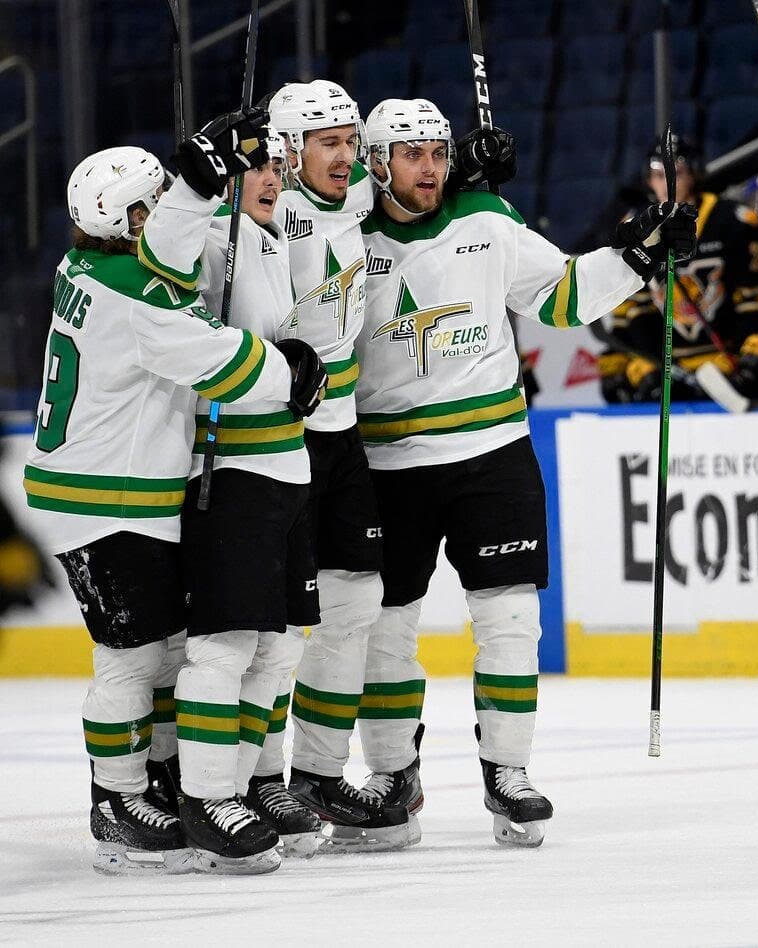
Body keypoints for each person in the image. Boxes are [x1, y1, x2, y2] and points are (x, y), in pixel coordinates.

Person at [354, 98, 695, 847]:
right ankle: (389, 777)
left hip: (491, 453)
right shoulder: (345, 236)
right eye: (411, 155)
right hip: (386, 462)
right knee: (382, 630)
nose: (431, 168)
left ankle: (508, 771)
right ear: (373, 162)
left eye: (439, 153)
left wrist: (637, 256)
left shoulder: (486, 220)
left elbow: (562, 295)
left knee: (510, 621)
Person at [27, 144, 323, 874]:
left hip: (105, 489)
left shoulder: (86, 266)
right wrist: (291, 371)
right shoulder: (135, 291)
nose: (163, 214)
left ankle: (144, 784)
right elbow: (217, 360)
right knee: (129, 659)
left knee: (156, 653)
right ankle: (115, 800)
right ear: (123, 219)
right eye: (150, 205)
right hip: (104, 497)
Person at [138, 110, 329, 860]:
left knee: (276, 650)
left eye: (278, 166)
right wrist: (196, 182)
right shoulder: (212, 238)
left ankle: (245, 785)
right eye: (256, 165)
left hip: (288, 467)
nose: (272, 178)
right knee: (224, 646)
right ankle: (206, 797)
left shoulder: (275, 239)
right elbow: (164, 259)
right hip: (230, 468)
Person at [266, 79, 408, 848]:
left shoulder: (349, 194)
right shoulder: (264, 218)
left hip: (343, 433)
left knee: (355, 606)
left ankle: (316, 775)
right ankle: (258, 785)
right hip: (279, 440)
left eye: (352, 142)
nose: (348, 157)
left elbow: (401, 179)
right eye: (329, 143)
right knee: (276, 625)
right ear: (287, 151)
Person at [599, 135, 758, 402]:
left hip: (724, 359)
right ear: (648, 180)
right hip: (668, 365)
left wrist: (749, 356)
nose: (667, 183)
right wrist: (642, 362)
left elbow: (754, 299)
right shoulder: (637, 226)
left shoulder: (731, 219)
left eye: (676, 173)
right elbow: (633, 308)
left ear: (693, 174)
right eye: (658, 175)